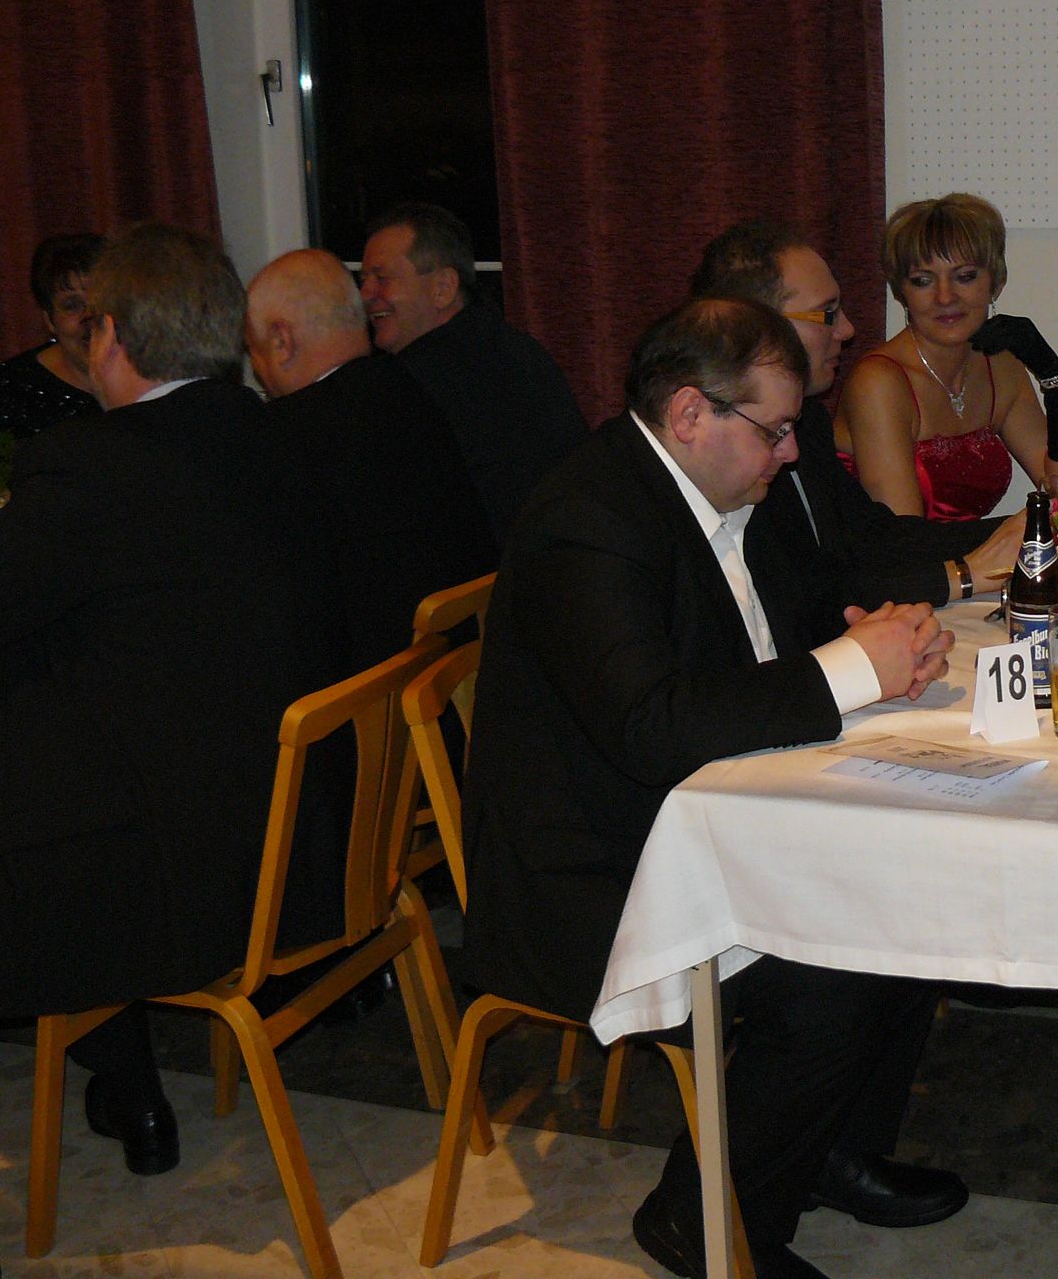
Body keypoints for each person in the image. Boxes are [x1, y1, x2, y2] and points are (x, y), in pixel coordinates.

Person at [0, 225, 330, 1279]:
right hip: (287, 848)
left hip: (180, 885)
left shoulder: (101, 467)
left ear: (110, 338)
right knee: (39, 784)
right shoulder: (270, 434)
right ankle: (126, 1081)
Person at [463, 298, 967, 1279]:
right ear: (691, 413)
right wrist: (847, 671)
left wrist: (879, 639)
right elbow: (650, 726)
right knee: (834, 975)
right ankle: (703, 1223)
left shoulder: (737, 489)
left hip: (715, 816)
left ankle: (827, 1152)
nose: (792, 452)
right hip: (594, 870)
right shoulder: (588, 518)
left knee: (915, 894)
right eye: (775, 430)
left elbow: (804, 623)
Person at [689, 218, 1026, 611]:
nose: (848, 330)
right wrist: (964, 575)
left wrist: (1024, 529)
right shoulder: (723, 446)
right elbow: (806, 597)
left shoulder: (808, 422)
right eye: (827, 313)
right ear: (757, 324)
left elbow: (878, 537)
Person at [246, 246, 496, 676]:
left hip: (371, 691)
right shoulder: (407, 390)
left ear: (282, 341)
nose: (254, 368)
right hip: (451, 669)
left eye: (253, 350)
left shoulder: (286, 436)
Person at [833, 193, 1058, 519]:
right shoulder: (879, 382)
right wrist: (1012, 534)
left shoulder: (1001, 366)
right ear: (901, 292)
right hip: (899, 551)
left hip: (972, 552)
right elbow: (903, 534)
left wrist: (1052, 375)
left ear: (996, 282)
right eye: (923, 281)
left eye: (965, 276)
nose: (945, 297)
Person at [359, 202, 585, 544]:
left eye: (382, 278)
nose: (365, 295)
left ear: (443, 288)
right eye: (363, 280)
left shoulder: (417, 380)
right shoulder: (515, 350)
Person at [0, 233, 105, 441]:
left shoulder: (153, 373)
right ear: (49, 320)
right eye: (72, 305)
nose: (90, 316)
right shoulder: (13, 384)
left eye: (101, 300)